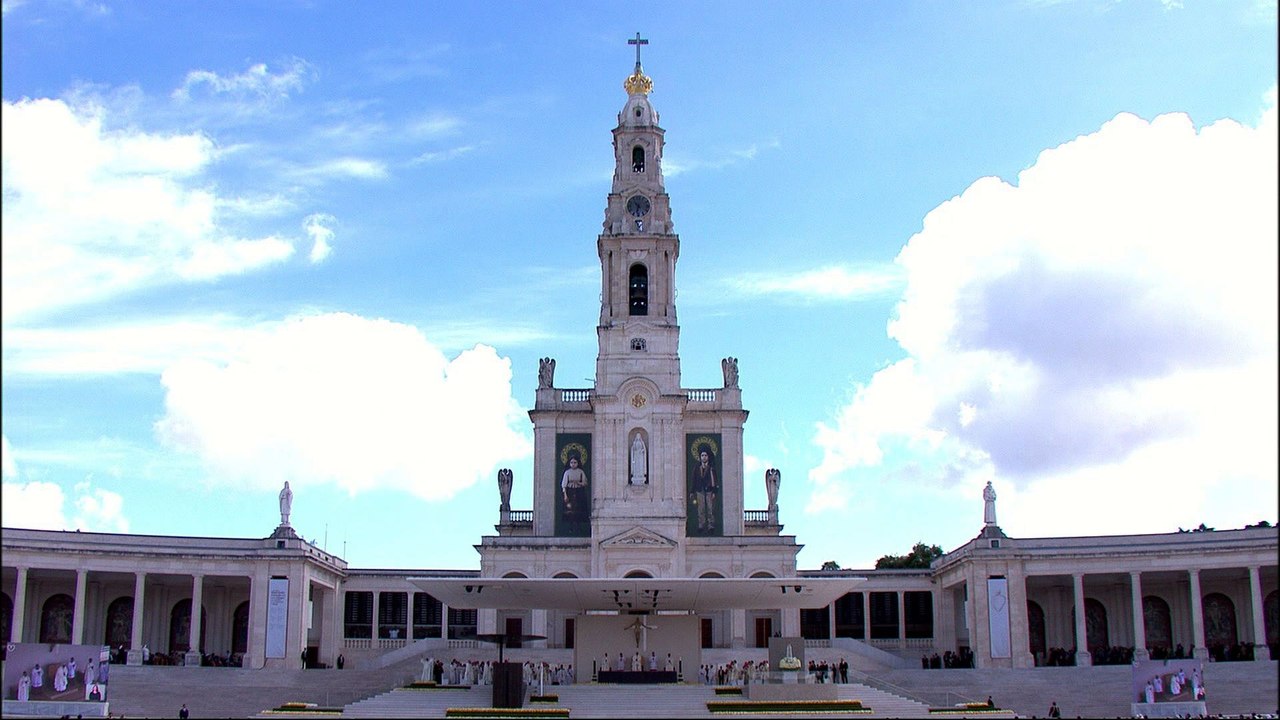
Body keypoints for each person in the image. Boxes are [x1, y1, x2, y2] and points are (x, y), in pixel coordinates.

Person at [691, 447, 718, 532]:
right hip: (700, 491)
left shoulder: (711, 468)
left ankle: (711, 526)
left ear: (708, 457)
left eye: (705, 455)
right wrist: (692, 491)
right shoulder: (697, 468)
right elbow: (694, 480)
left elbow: (714, 480)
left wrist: (714, 491)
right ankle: (701, 525)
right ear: (700, 457)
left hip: (709, 491)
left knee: (710, 509)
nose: (704, 457)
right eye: (702, 455)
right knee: (701, 509)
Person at [561, 454, 588, 522]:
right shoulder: (567, 472)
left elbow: (585, 482)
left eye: (575, 462)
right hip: (570, 491)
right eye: (571, 462)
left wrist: (579, 483)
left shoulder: (581, 472)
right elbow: (564, 484)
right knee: (569, 508)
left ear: (578, 463)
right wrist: (565, 496)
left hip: (579, 491)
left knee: (579, 508)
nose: (573, 464)